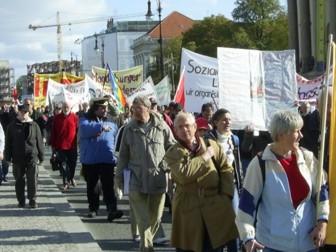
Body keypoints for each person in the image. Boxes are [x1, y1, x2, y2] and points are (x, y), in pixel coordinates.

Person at [236, 109, 329, 252]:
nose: (301, 135)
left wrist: (322, 223)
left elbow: (321, 190)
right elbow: (247, 204)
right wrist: (248, 238)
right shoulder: (260, 163)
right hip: (272, 246)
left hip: (308, 245)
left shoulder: (307, 157)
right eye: (297, 131)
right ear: (280, 135)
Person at [164, 112, 238, 252]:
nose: (185, 129)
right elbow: (184, 175)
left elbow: (226, 170)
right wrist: (204, 158)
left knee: (214, 246)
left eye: (187, 126)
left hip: (214, 205)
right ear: (175, 130)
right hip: (187, 209)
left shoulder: (212, 145)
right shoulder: (173, 152)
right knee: (188, 247)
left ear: (195, 126)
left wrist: (226, 196)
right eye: (180, 127)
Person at [114, 95, 176, 251]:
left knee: (155, 218)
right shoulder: (129, 129)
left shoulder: (162, 127)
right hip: (136, 179)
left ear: (147, 108)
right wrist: (119, 180)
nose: (133, 110)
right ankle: (147, 248)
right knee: (143, 219)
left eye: (137, 107)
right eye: (133, 107)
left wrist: (165, 165)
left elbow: (173, 148)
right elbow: (123, 156)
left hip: (158, 179)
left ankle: (144, 244)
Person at [204, 108, 242, 252]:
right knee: (217, 221)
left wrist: (240, 184)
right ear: (215, 122)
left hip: (231, 185)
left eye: (230, 119)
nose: (228, 122)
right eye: (224, 120)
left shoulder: (234, 139)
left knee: (234, 219)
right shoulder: (208, 140)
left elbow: (238, 164)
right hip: (214, 186)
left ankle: (234, 248)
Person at [80, 97, 123, 222]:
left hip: (107, 159)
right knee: (92, 186)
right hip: (90, 159)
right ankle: (93, 208)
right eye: (102, 108)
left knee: (108, 186)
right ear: (95, 109)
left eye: (106, 108)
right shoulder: (85, 120)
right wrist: (101, 127)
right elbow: (84, 131)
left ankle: (112, 209)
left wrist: (109, 100)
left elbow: (116, 135)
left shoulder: (112, 123)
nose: (105, 110)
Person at [4, 104, 44, 208]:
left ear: (28, 113)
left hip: (32, 156)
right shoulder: (12, 126)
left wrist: (41, 156)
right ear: (18, 112)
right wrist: (7, 157)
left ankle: (32, 199)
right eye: (21, 112)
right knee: (19, 180)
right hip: (17, 157)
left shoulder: (34, 125)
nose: (23, 114)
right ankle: (21, 200)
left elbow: (39, 141)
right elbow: (8, 143)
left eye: (25, 112)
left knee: (32, 179)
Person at [50, 101, 79, 191]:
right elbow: (53, 133)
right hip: (61, 146)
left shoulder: (75, 117)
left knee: (73, 164)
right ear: (62, 108)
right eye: (64, 107)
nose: (66, 109)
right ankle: (66, 183)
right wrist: (53, 147)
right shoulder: (57, 118)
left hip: (72, 146)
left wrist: (79, 143)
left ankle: (71, 177)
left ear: (71, 108)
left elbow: (78, 131)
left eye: (68, 107)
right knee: (63, 165)